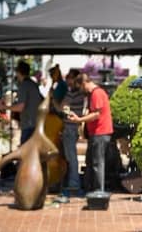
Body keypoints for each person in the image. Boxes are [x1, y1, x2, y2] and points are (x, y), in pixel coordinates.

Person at [68, 73, 113, 193]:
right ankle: (93, 189)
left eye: (80, 87)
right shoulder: (95, 93)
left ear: (84, 83)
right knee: (92, 162)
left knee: (98, 163)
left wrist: (79, 120)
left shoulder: (96, 93)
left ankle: (99, 191)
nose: (81, 91)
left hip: (100, 133)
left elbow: (96, 114)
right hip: (97, 133)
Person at [53, 72, 87, 203]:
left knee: (71, 157)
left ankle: (74, 183)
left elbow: (61, 108)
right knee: (71, 156)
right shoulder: (80, 94)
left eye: (69, 79)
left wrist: (53, 100)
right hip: (74, 128)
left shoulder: (72, 93)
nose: (67, 82)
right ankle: (73, 182)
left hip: (69, 128)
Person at [0, 60, 42, 144]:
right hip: (35, 123)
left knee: (25, 153)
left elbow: (20, 107)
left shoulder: (24, 86)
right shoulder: (33, 84)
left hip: (28, 125)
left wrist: (4, 107)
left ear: (18, 72)